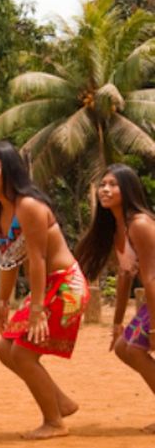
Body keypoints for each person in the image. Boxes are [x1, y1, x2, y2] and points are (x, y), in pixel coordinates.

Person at [0, 141, 88, 439]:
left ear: (10, 171)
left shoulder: (28, 206)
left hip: (65, 286)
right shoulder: (2, 212)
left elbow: (37, 259)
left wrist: (36, 310)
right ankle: (60, 401)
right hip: (48, 287)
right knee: (5, 349)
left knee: (23, 353)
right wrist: (3, 302)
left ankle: (54, 422)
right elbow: (8, 260)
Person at [76, 163, 155, 432]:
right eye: (103, 185)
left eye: (113, 185)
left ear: (128, 189)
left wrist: (154, 327)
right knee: (123, 346)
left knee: (134, 348)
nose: (105, 190)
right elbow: (124, 276)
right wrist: (117, 323)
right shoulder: (118, 228)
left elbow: (150, 278)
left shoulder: (140, 224)